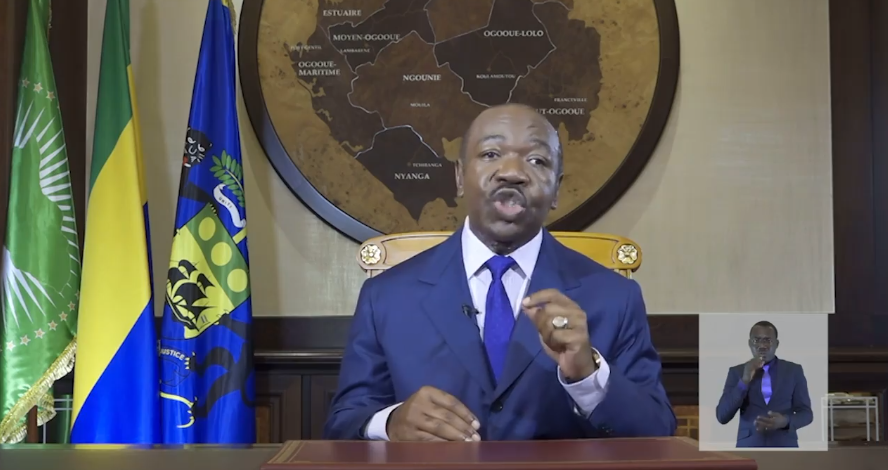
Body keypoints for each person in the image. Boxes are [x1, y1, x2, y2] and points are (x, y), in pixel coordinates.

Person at [323, 103, 676, 441]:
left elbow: (657, 431)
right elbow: (344, 423)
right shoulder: (386, 296)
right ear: (459, 177)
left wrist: (588, 376)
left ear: (556, 188)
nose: (512, 172)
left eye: (536, 160)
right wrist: (391, 422)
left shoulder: (614, 297)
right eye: (491, 154)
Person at [715, 321, 813, 447]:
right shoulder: (737, 372)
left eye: (767, 340)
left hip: (784, 447)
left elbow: (806, 414)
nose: (762, 346)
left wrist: (785, 421)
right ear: (750, 343)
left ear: (777, 344)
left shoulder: (793, 371)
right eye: (757, 340)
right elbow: (722, 416)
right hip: (749, 447)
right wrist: (744, 381)